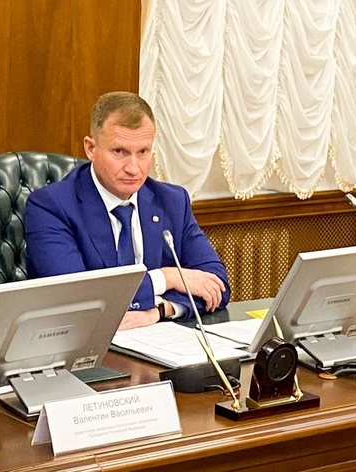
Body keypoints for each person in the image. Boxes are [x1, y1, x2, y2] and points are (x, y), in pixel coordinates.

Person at [25, 91, 230, 330]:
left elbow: (216, 284)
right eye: (119, 152)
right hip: (81, 344)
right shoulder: (51, 206)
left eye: (142, 152)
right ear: (91, 148)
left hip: (155, 341)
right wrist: (166, 278)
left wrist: (161, 310)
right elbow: (77, 298)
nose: (133, 168)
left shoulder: (172, 201)